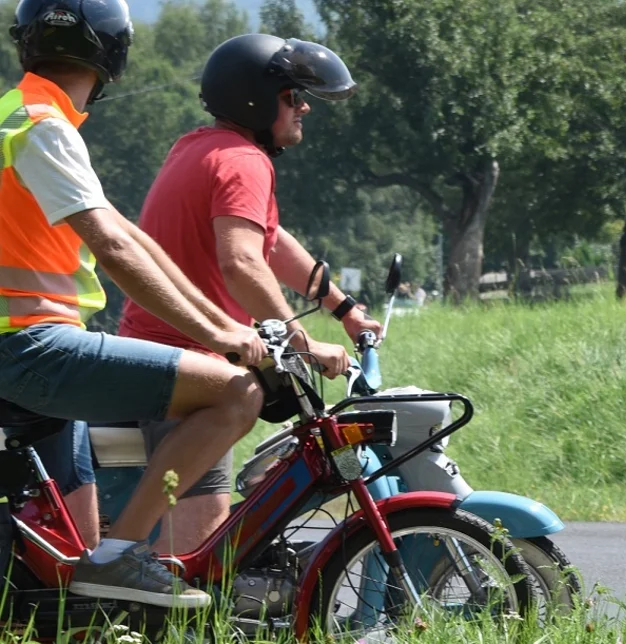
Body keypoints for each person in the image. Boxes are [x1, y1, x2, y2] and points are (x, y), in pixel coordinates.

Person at [0, 0, 266, 608]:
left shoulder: (19, 115)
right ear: (113, 53)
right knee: (236, 392)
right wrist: (225, 341)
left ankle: (106, 562)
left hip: (28, 349)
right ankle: (125, 556)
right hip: (31, 348)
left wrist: (223, 324)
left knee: (67, 576)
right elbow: (116, 248)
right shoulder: (44, 125)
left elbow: (132, 235)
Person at [115, 33, 376, 554]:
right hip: (189, 370)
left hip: (162, 356)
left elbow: (272, 245)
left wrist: (343, 309)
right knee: (192, 559)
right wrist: (303, 343)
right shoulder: (244, 162)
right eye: (291, 95)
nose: (303, 106)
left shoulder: (201, 147)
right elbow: (241, 262)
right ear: (255, 100)